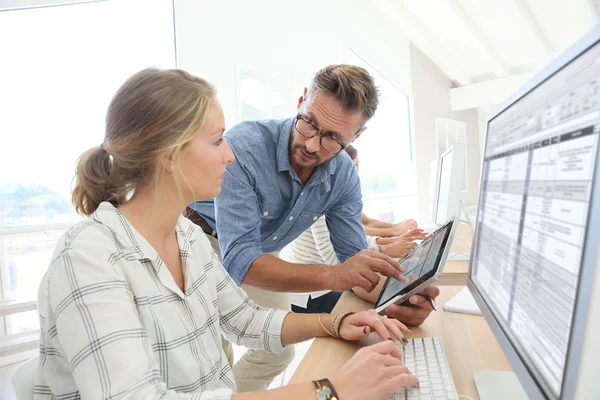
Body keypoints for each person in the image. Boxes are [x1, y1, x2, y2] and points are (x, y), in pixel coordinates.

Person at [33, 68, 418, 400]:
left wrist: (337, 322)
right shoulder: (89, 257)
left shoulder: (187, 238)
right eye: (217, 141)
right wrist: (329, 392)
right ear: (168, 153)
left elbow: (246, 318)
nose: (229, 155)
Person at [188, 64, 439, 391]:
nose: (311, 145)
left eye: (333, 138)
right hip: (205, 241)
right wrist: (335, 276)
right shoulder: (244, 147)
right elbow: (240, 261)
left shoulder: (343, 175)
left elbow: (355, 261)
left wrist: (401, 297)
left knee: (276, 352)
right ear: (302, 100)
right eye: (309, 123)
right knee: (212, 358)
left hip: (262, 251)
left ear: (357, 136)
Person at [284, 144, 428, 312]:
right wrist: (383, 249)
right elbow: (337, 260)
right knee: (373, 307)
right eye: (350, 166)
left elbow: (356, 233)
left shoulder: (343, 194)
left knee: (385, 294)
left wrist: (389, 243)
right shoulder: (319, 195)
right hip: (312, 294)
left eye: (356, 165)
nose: (354, 171)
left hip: (328, 283)